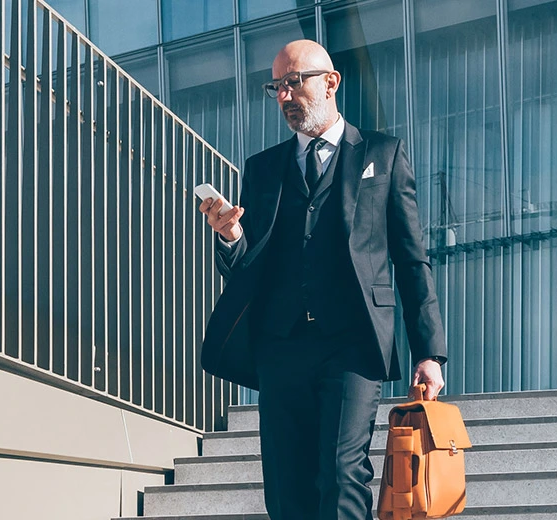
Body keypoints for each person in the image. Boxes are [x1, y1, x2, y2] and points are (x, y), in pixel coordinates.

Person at [195, 39, 448, 520]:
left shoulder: (383, 154)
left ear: (330, 82)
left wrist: (429, 352)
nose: (285, 96)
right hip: (281, 343)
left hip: (352, 343)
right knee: (286, 485)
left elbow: (413, 260)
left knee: (341, 471)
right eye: (276, 87)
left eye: (294, 82)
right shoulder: (264, 168)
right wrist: (231, 237)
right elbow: (252, 265)